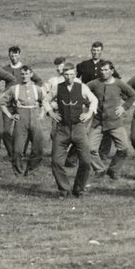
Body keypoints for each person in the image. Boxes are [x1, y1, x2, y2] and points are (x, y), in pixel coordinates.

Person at [48, 63, 99, 198]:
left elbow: (94, 100)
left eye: (71, 74)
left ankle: (79, 190)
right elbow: (45, 100)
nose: (69, 77)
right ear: (62, 75)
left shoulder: (82, 87)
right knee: (56, 162)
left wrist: (89, 114)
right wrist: (51, 113)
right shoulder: (57, 88)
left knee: (86, 161)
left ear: (75, 74)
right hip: (62, 129)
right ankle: (64, 190)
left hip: (78, 128)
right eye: (66, 75)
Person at [94, 65, 135, 177]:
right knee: (90, 149)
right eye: (101, 70)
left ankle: (113, 170)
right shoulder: (95, 83)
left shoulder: (119, 83)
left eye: (106, 70)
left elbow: (133, 95)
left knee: (124, 148)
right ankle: (99, 169)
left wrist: (124, 107)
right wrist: (90, 105)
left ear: (112, 71)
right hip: (98, 122)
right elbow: (83, 91)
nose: (103, 72)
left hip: (115, 122)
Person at [3, 68, 51, 175]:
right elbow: (2, 102)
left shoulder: (36, 88)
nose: (24, 76)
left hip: (34, 117)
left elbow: (46, 100)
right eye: (22, 74)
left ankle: (31, 169)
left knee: (38, 146)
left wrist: (42, 113)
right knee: (17, 148)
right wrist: (10, 115)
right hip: (21, 117)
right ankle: (18, 171)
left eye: (27, 74)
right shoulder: (14, 89)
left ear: (31, 74)